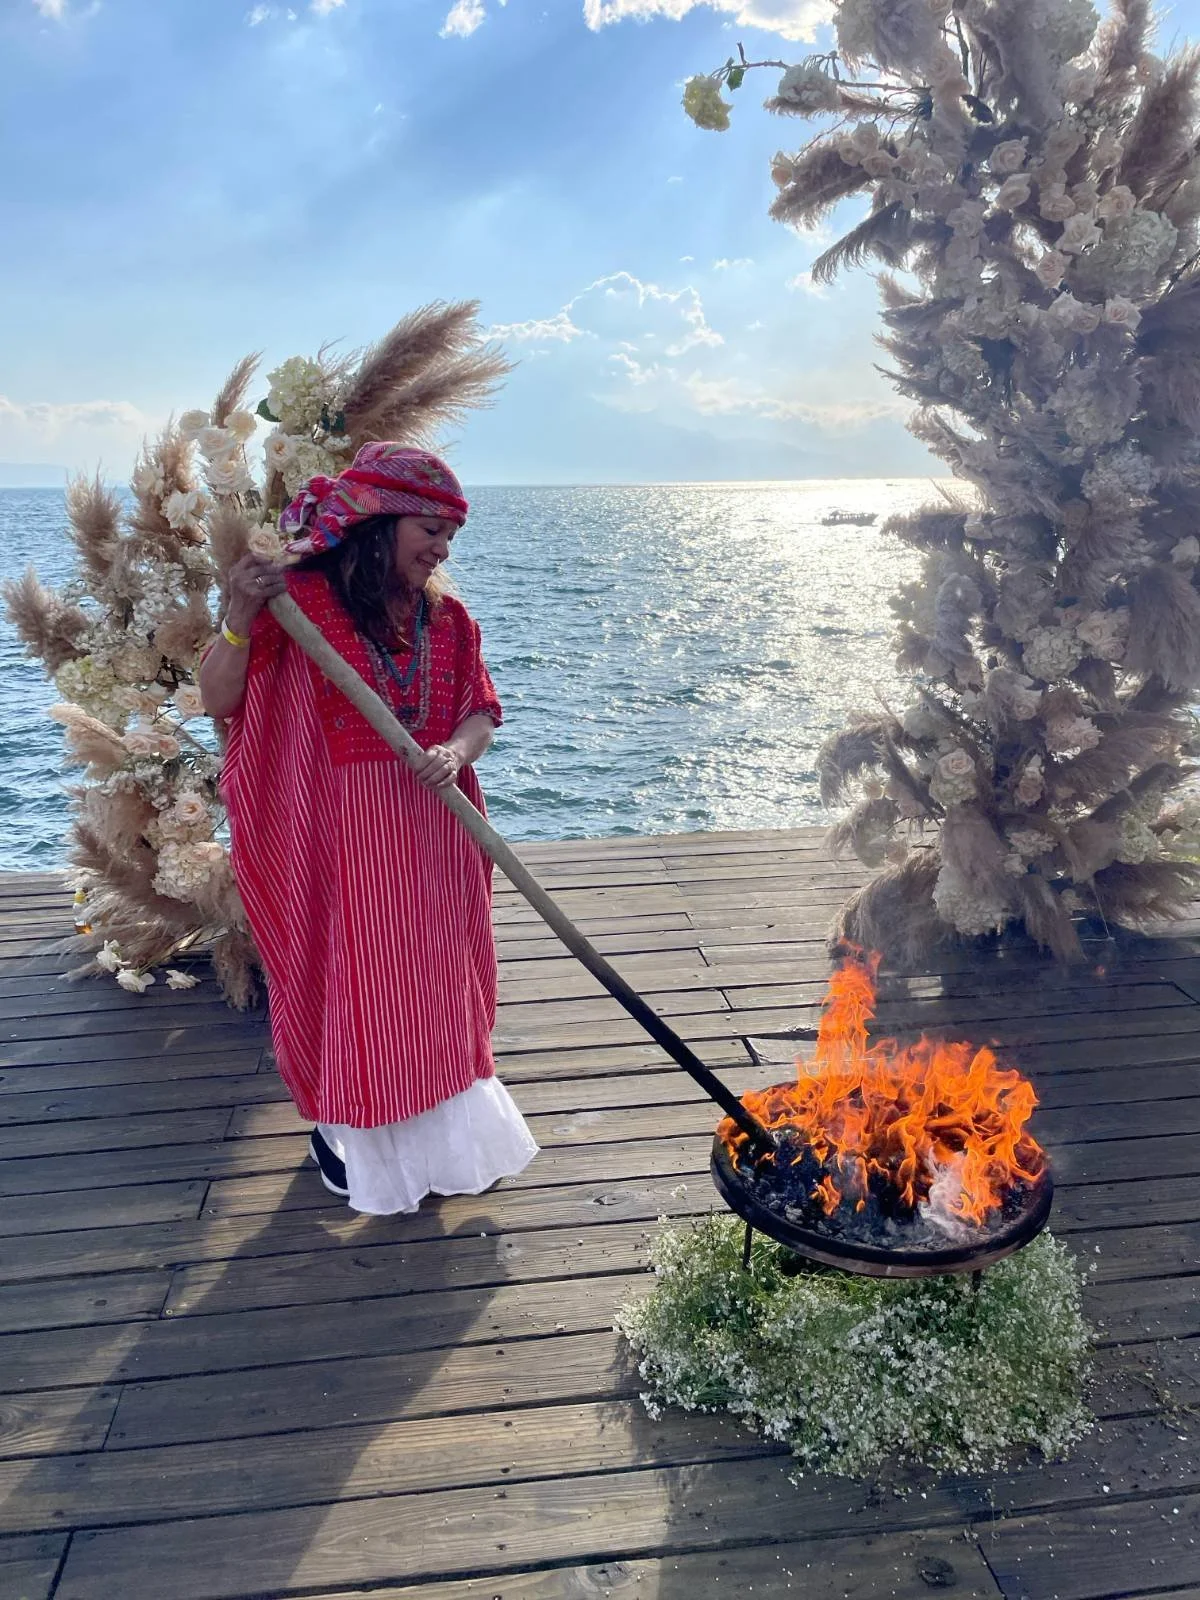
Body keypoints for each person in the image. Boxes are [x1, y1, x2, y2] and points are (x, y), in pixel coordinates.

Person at [199, 442, 538, 1213]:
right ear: (379, 523)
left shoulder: (447, 621)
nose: (443, 549)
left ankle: (445, 1146)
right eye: (430, 529)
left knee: (438, 985)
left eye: (450, 535)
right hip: (334, 838)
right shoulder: (297, 605)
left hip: (434, 832)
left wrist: (455, 750)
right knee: (353, 984)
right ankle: (347, 1133)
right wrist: (239, 616)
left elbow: (480, 710)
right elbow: (218, 699)